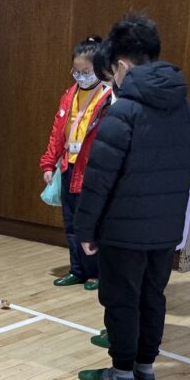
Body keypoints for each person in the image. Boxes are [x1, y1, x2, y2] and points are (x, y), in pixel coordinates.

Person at [73, 14, 190, 380]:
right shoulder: (186, 110)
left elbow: (99, 180)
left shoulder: (124, 112)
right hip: (165, 230)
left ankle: (122, 371)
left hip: (123, 231)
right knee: (152, 296)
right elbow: (188, 171)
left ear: (122, 66)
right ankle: (146, 366)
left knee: (121, 299)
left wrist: (86, 230)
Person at [40, 36, 113, 291]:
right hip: (68, 167)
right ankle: (77, 269)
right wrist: (49, 163)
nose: (80, 76)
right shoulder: (69, 94)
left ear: (99, 69)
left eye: (86, 72)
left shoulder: (108, 97)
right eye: (76, 71)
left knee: (90, 225)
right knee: (70, 223)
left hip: (91, 172)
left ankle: (96, 273)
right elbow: (57, 131)